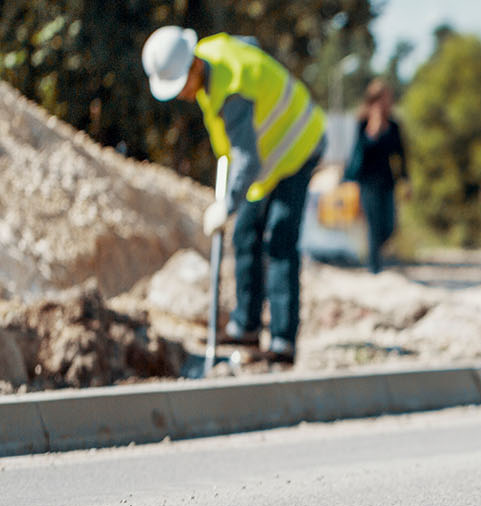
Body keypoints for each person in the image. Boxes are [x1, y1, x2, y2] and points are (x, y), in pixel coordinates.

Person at [141, 27, 326, 364]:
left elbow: (248, 158)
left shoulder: (232, 91)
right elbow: (252, 44)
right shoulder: (212, 54)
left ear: (194, 66)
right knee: (245, 234)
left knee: (280, 238)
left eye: (180, 83)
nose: (181, 93)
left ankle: (283, 341)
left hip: (298, 145)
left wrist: (227, 203)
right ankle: (247, 326)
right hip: (268, 162)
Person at [346, 79, 409, 275]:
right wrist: (372, 132)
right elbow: (358, 153)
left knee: (389, 225)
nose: (389, 102)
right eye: (385, 98)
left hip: (387, 181)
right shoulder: (362, 124)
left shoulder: (394, 126)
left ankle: (376, 260)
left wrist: (406, 180)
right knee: (373, 226)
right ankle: (374, 268)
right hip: (368, 182)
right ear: (375, 100)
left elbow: (401, 155)